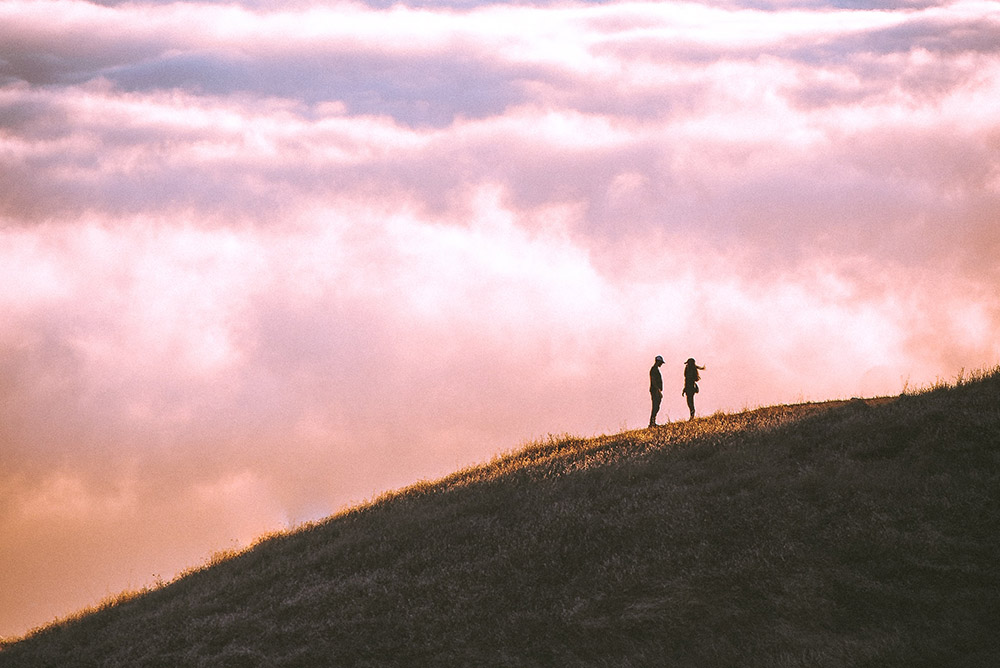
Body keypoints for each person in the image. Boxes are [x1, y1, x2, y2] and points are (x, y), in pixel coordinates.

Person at [649, 355, 665, 427]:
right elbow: (653, 380)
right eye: (661, 362)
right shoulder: (654, 370)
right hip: (655, 390)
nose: (661, 364)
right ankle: (652, 423)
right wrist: (657, 390)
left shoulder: (655, 369)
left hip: (656, 390)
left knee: (656, 406)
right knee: (655, 406)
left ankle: (653, 422)